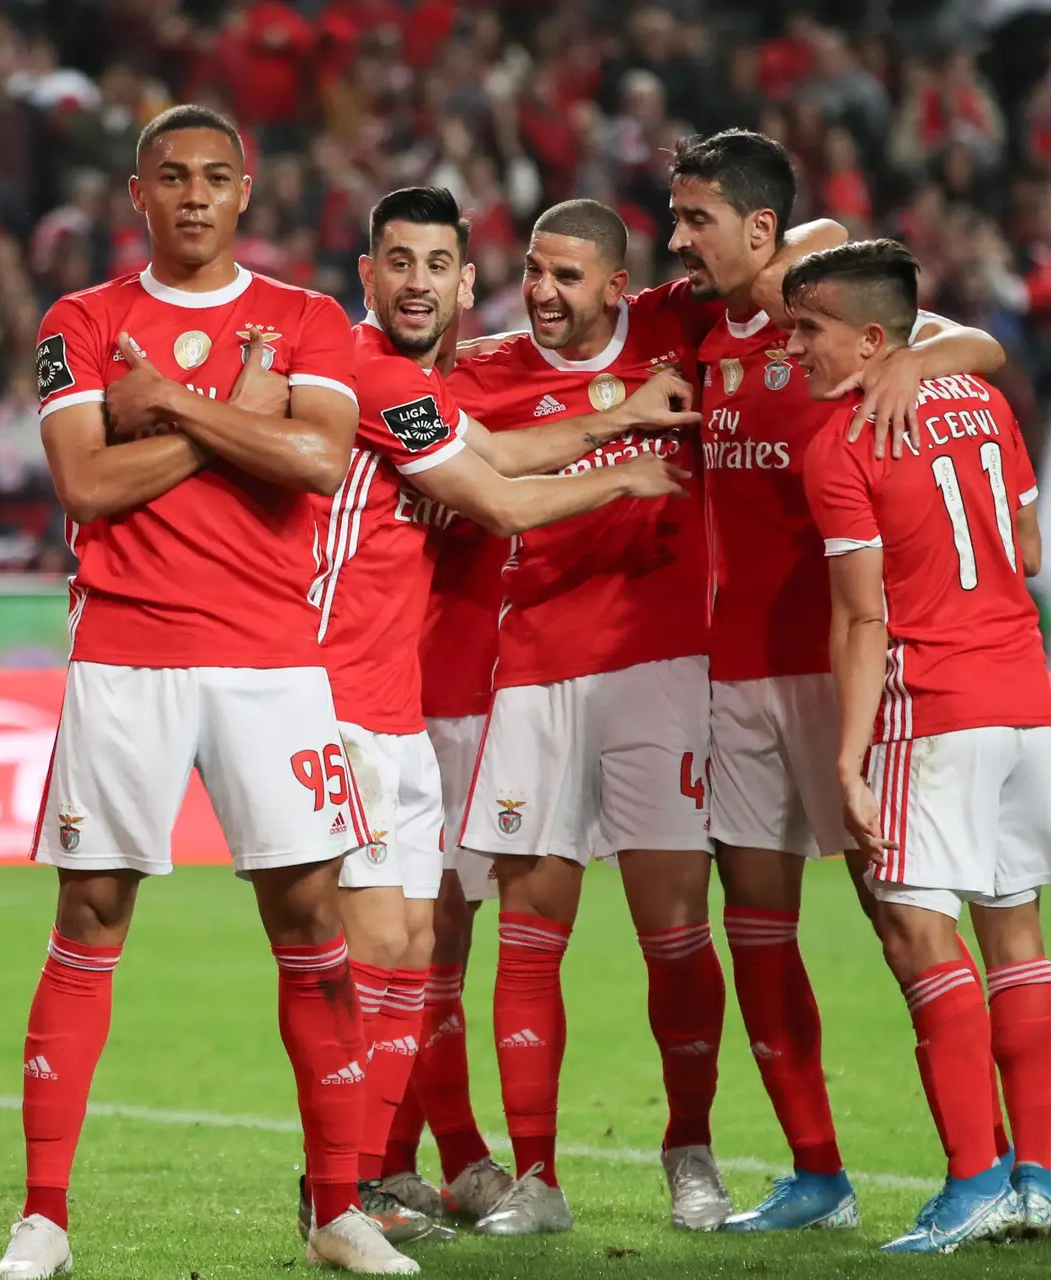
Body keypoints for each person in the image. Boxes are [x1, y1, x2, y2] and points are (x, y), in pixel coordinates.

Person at [0, 104, 394, 1278]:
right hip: (126, 652)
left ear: (246, 191)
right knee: (89, 921)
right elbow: (87, 482)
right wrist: (233, 415)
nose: (194, 197)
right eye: (172, 178)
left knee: (312, 923)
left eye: (215, 178)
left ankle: (337, 1209)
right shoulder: (81, 320)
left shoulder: (309, 318)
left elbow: (319, 459)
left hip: (272, 660)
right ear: (138, 192)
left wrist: (166, 406)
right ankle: (46, 1218)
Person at [445, 196, 843, 1236]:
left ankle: (690, 1152)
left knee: (675, 930)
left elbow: (819, 243)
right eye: (533, 269)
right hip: (530, 674)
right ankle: (538, 1176)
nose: (541, 291)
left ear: (617, 286)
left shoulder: (680, 325)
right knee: (532, 935)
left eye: (567, 275)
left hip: (663, 672)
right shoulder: (486, 369)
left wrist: (919, 350)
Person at [309, 185, 695, 1244]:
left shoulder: (436, 393)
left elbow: (503, 457)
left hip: (457, 695)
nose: (421, 281)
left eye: (440, 264)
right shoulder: (385, 378)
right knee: (399, 951)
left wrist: (614, 418)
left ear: (461, 280)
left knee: (418, 945)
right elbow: (509, 494)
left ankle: (403, 1171)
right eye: (401, 261)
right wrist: (625, 471)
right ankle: (366, 1176)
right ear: (371, 272)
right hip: (386, 696)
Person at [665, 129, 1007, 1233]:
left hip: (849, 670)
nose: (677, 242)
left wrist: (916, 359)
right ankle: (817, 1172)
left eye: (695, 220)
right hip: (737, 672)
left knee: (900, 917)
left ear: (759, 227)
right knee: (755, 923)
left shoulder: (836, 295)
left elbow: (983, 345)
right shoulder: (698, 321)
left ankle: (982, 1167)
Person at [793, 239, 1051, 1252]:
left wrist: (846, 759)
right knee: (1016, 935)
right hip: (1024, 697)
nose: (797, 351)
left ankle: (971, 1180)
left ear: (874, 337)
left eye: (810, 331)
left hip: (937, 698)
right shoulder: (990, 405)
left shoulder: (840, 444)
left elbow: (862, 619)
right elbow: (1032, 550)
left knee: (918, 930)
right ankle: (1036, 1179)